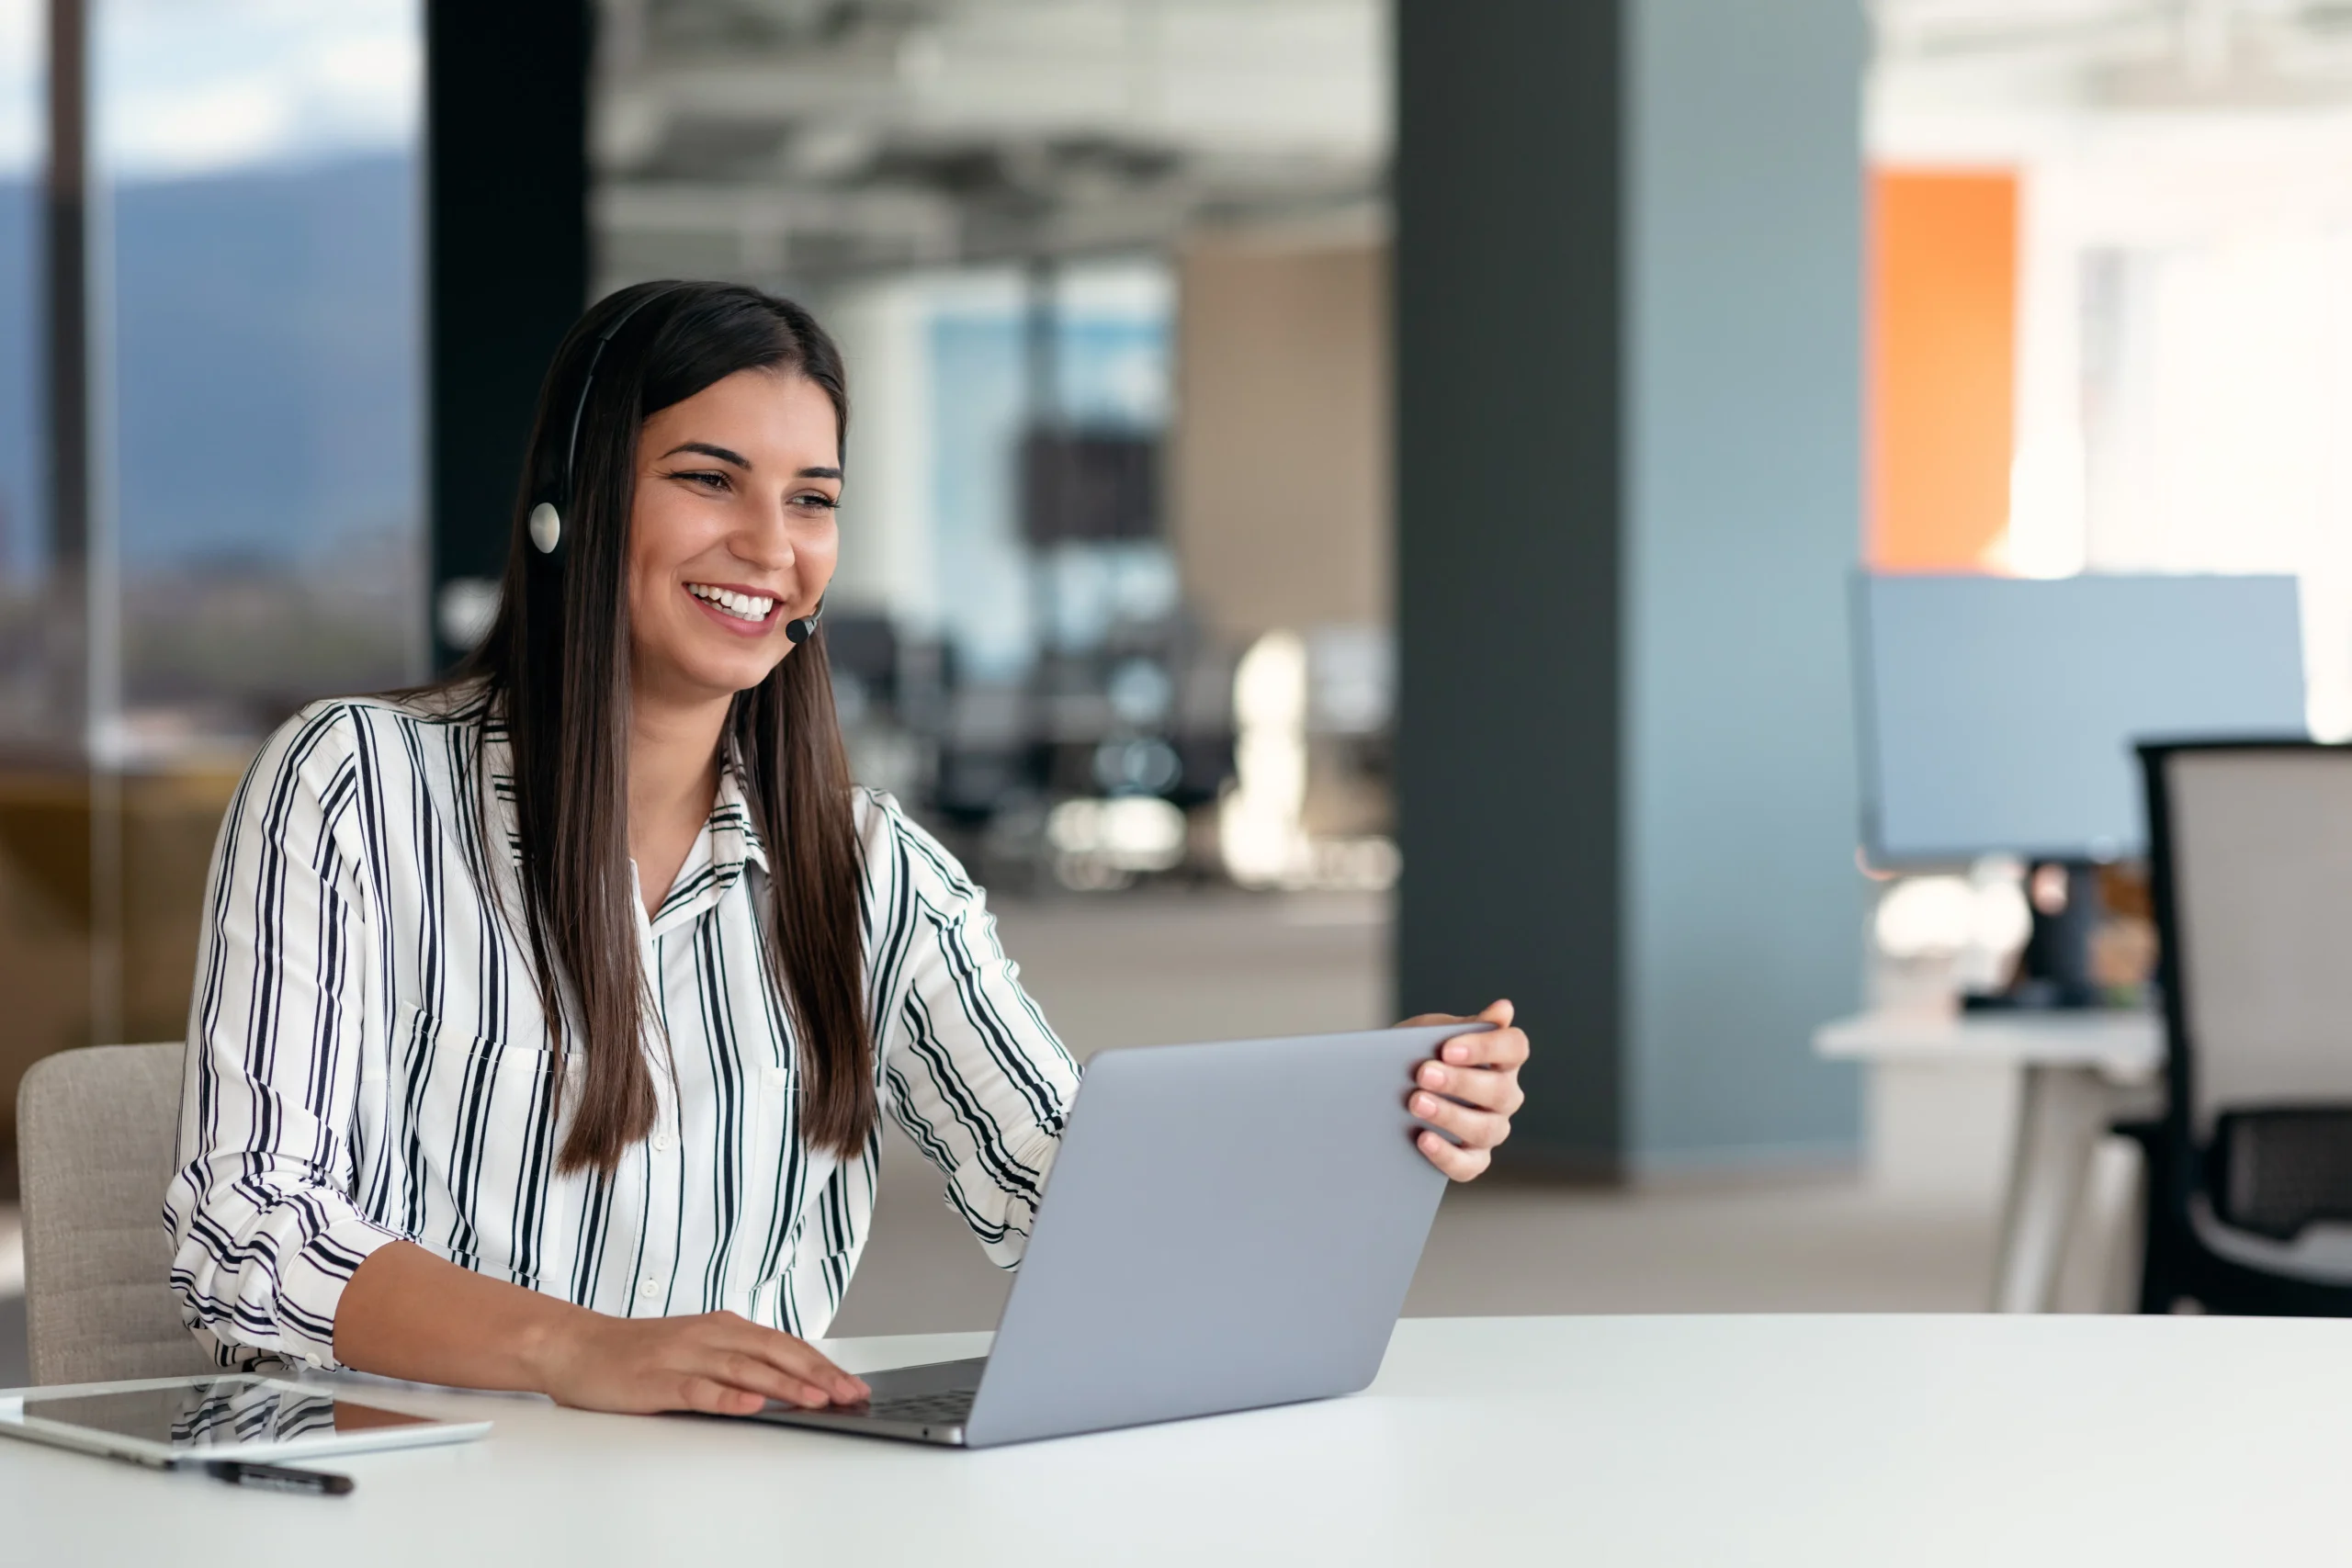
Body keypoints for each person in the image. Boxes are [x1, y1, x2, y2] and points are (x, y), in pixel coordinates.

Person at [163, 280, 1530, 1416]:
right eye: (711, 480)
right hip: (397, 1500)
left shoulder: (874, 872)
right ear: (571, 501)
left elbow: (1071, 1197)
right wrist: (582, 1347)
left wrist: (1364, 1116)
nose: (771, 545)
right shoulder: (351, 784)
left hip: (728, 1502)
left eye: (812, 499)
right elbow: (246, 1231)